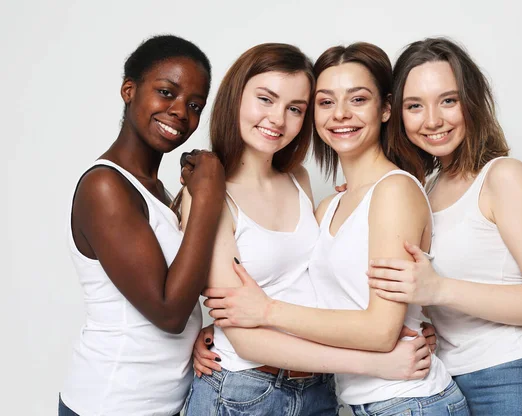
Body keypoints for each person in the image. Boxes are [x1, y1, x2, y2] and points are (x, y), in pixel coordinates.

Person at [201, 43, 468, 416]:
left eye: (358, 99)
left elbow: (380, 330)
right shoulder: (328, 205)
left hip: (406, 401)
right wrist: (214, 331)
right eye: (325, 103)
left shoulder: (392, 191)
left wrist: (267, 311)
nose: (340, 114)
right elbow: (298, 288)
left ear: (386, 108)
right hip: (343, 397)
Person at [365, 37, 522, 415]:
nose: (433, 119)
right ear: (396, 114)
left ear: (471, 102)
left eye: (448, 100)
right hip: (450, 384)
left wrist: (439, 289)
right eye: (415, 105)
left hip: (519, 378)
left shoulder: (502, 176)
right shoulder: (423, 191)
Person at [60, 35, 225, 416]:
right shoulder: (105, 186)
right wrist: (209, 199)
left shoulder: (155, 189)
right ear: (129, 90)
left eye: (194, 104)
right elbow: (169, 313)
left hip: (159, 404)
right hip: (111, 403)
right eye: (166, 92)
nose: (181, 111)